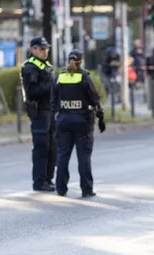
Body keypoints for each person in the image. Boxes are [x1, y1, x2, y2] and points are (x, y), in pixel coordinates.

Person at [51, 50, 106, 198]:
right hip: (83, 121)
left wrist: (54, 121)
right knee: (84, 157)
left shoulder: (59, 77)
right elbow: (95, 99)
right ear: (81, 61)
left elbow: (53, 101)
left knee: (63, 156)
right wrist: (101, 118)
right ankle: (86, 189)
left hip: (63, 121)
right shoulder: (84, 77)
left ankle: (61, 188)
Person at [21, 37, 57, 192]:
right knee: (42, 147)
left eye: (46, 49)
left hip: (50, 109)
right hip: (39, 111)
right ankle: (39, 181)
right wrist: (52, 85)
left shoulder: (45, 65)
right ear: (33, 50)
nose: (45, 52)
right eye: (42, 49)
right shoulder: (30, 67)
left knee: (52, 147)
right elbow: (32, 91)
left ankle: (48, 179)